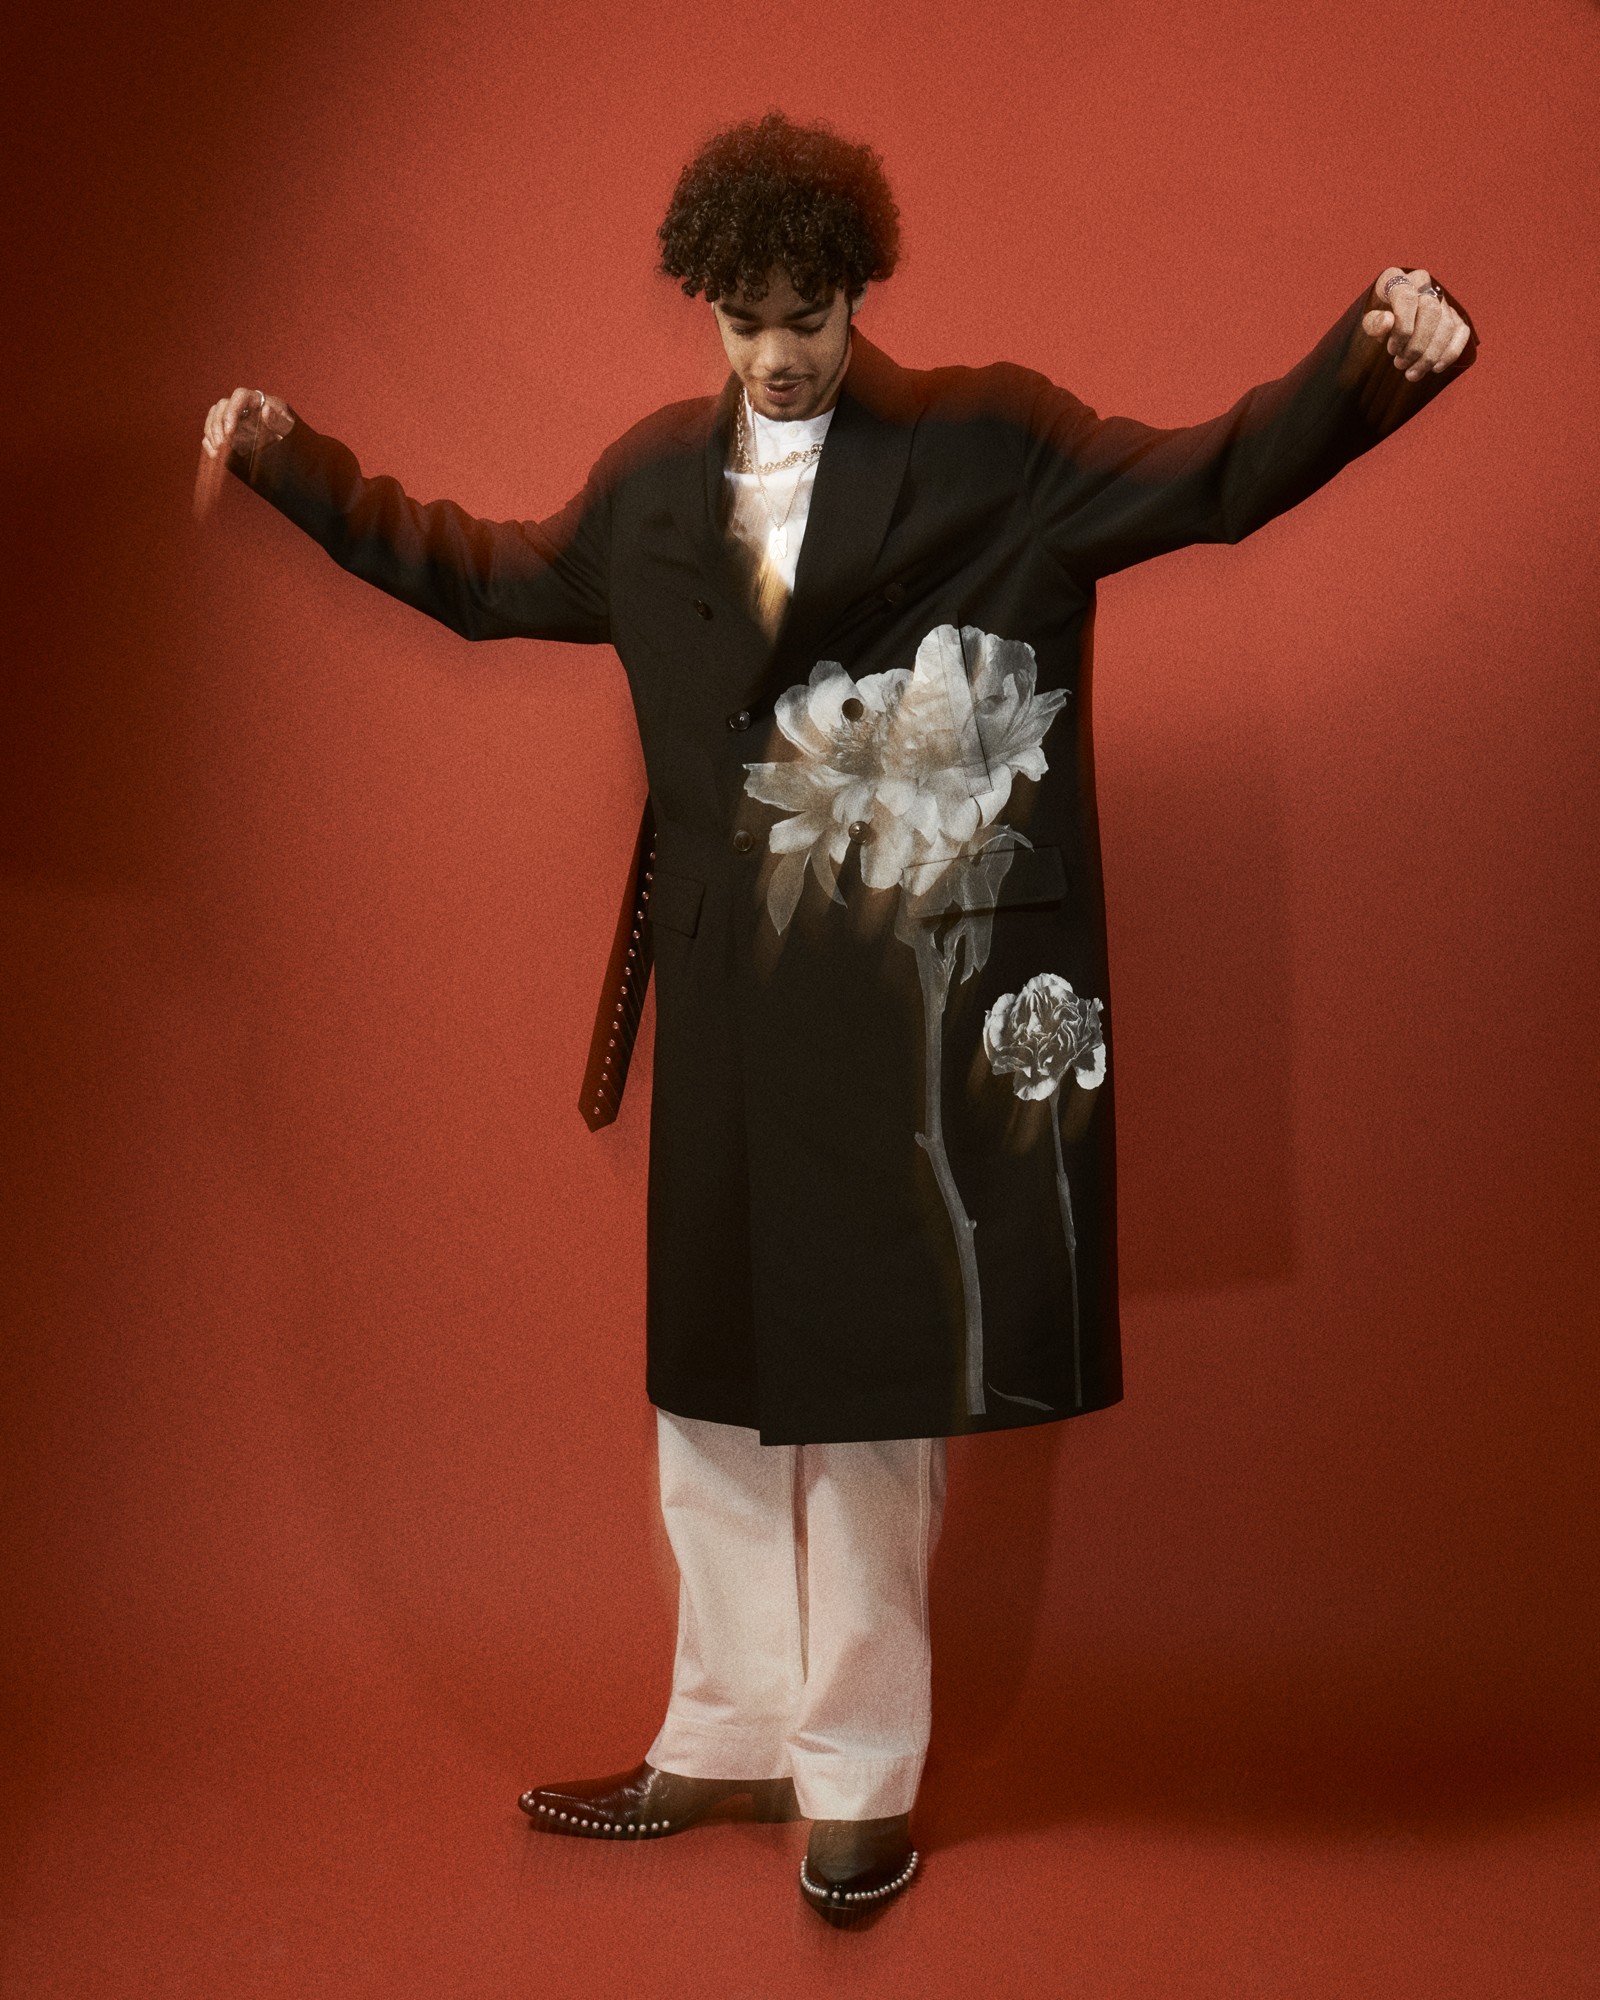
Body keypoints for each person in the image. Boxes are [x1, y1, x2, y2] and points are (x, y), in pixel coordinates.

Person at [200, 110, 1475, 1924]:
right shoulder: (651, 486)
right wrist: (292, 466)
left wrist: (1368, 362)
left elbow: (1206, 478)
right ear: (705, 307)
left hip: (902, 1020)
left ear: (858, 293)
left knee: (874, 1396)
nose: (778, 353)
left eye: (806, 315)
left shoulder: (985, 447)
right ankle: (723, 1733)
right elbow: (477, 578)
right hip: (727, 1007)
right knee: (709, 1382)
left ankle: (859, 1777)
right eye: (744, 320)